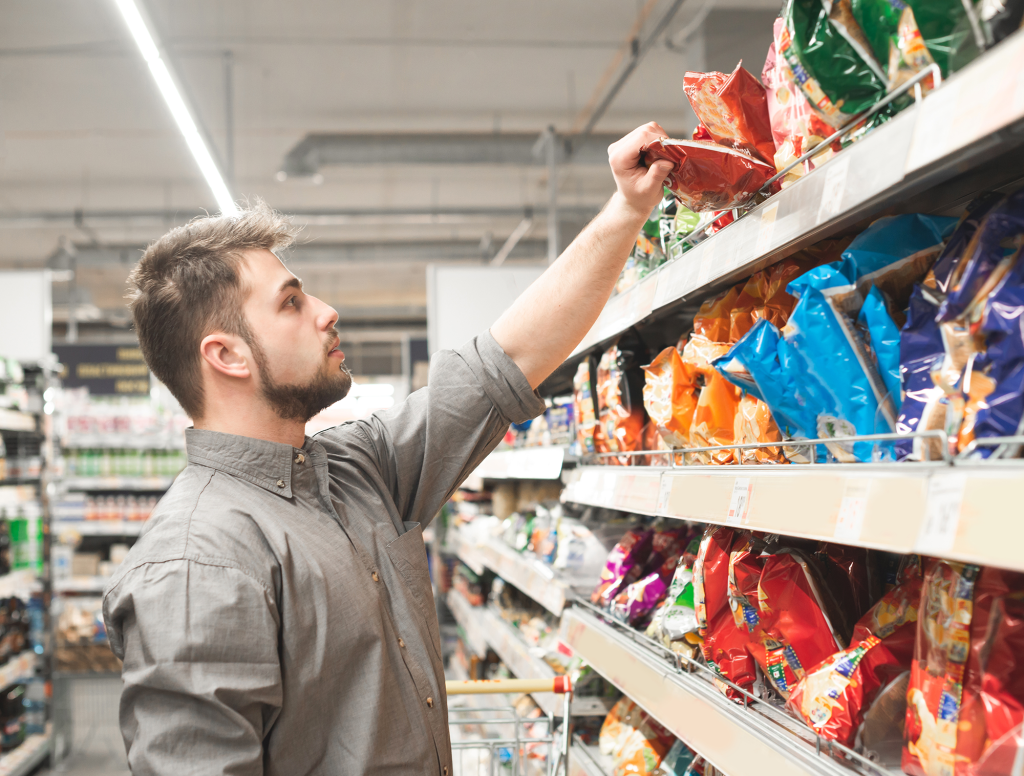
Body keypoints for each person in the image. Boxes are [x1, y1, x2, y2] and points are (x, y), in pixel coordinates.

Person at [102, 122, 674, 775]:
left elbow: (507, 360)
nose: (326, 311)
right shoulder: (195, 565)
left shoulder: (358, 468)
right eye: (291, 303)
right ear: (226, 355)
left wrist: (627, 209)